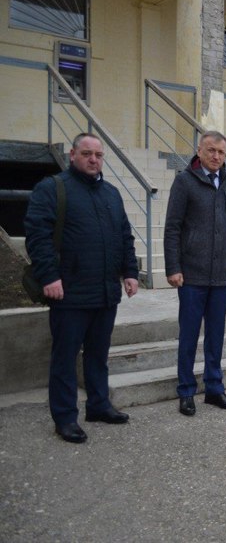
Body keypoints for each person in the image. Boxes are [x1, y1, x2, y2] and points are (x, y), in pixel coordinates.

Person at [25, 133, 139, 443]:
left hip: (105, 293)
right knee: (65, 358)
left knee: (98, 355)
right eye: (87, 153)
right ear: (73, 154)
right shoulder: (53, 189)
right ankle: (64, 418)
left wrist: (131, 272)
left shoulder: (112, 194)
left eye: (98, 155)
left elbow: (124, 237)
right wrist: (49, 276)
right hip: (69, 293)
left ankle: (99, 405)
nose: (93, 159)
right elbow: (38, 236)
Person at [164, 131, 226, 417]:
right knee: (188, 335)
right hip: (191, 276)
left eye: (221, 152)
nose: (216, 156)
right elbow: (173, 227)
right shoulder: (184, 182)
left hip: (221, 276)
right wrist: (173, 268)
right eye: (211, 150)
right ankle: (186, 390)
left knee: (216, 336)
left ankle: (214, 388)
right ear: (199, 151)